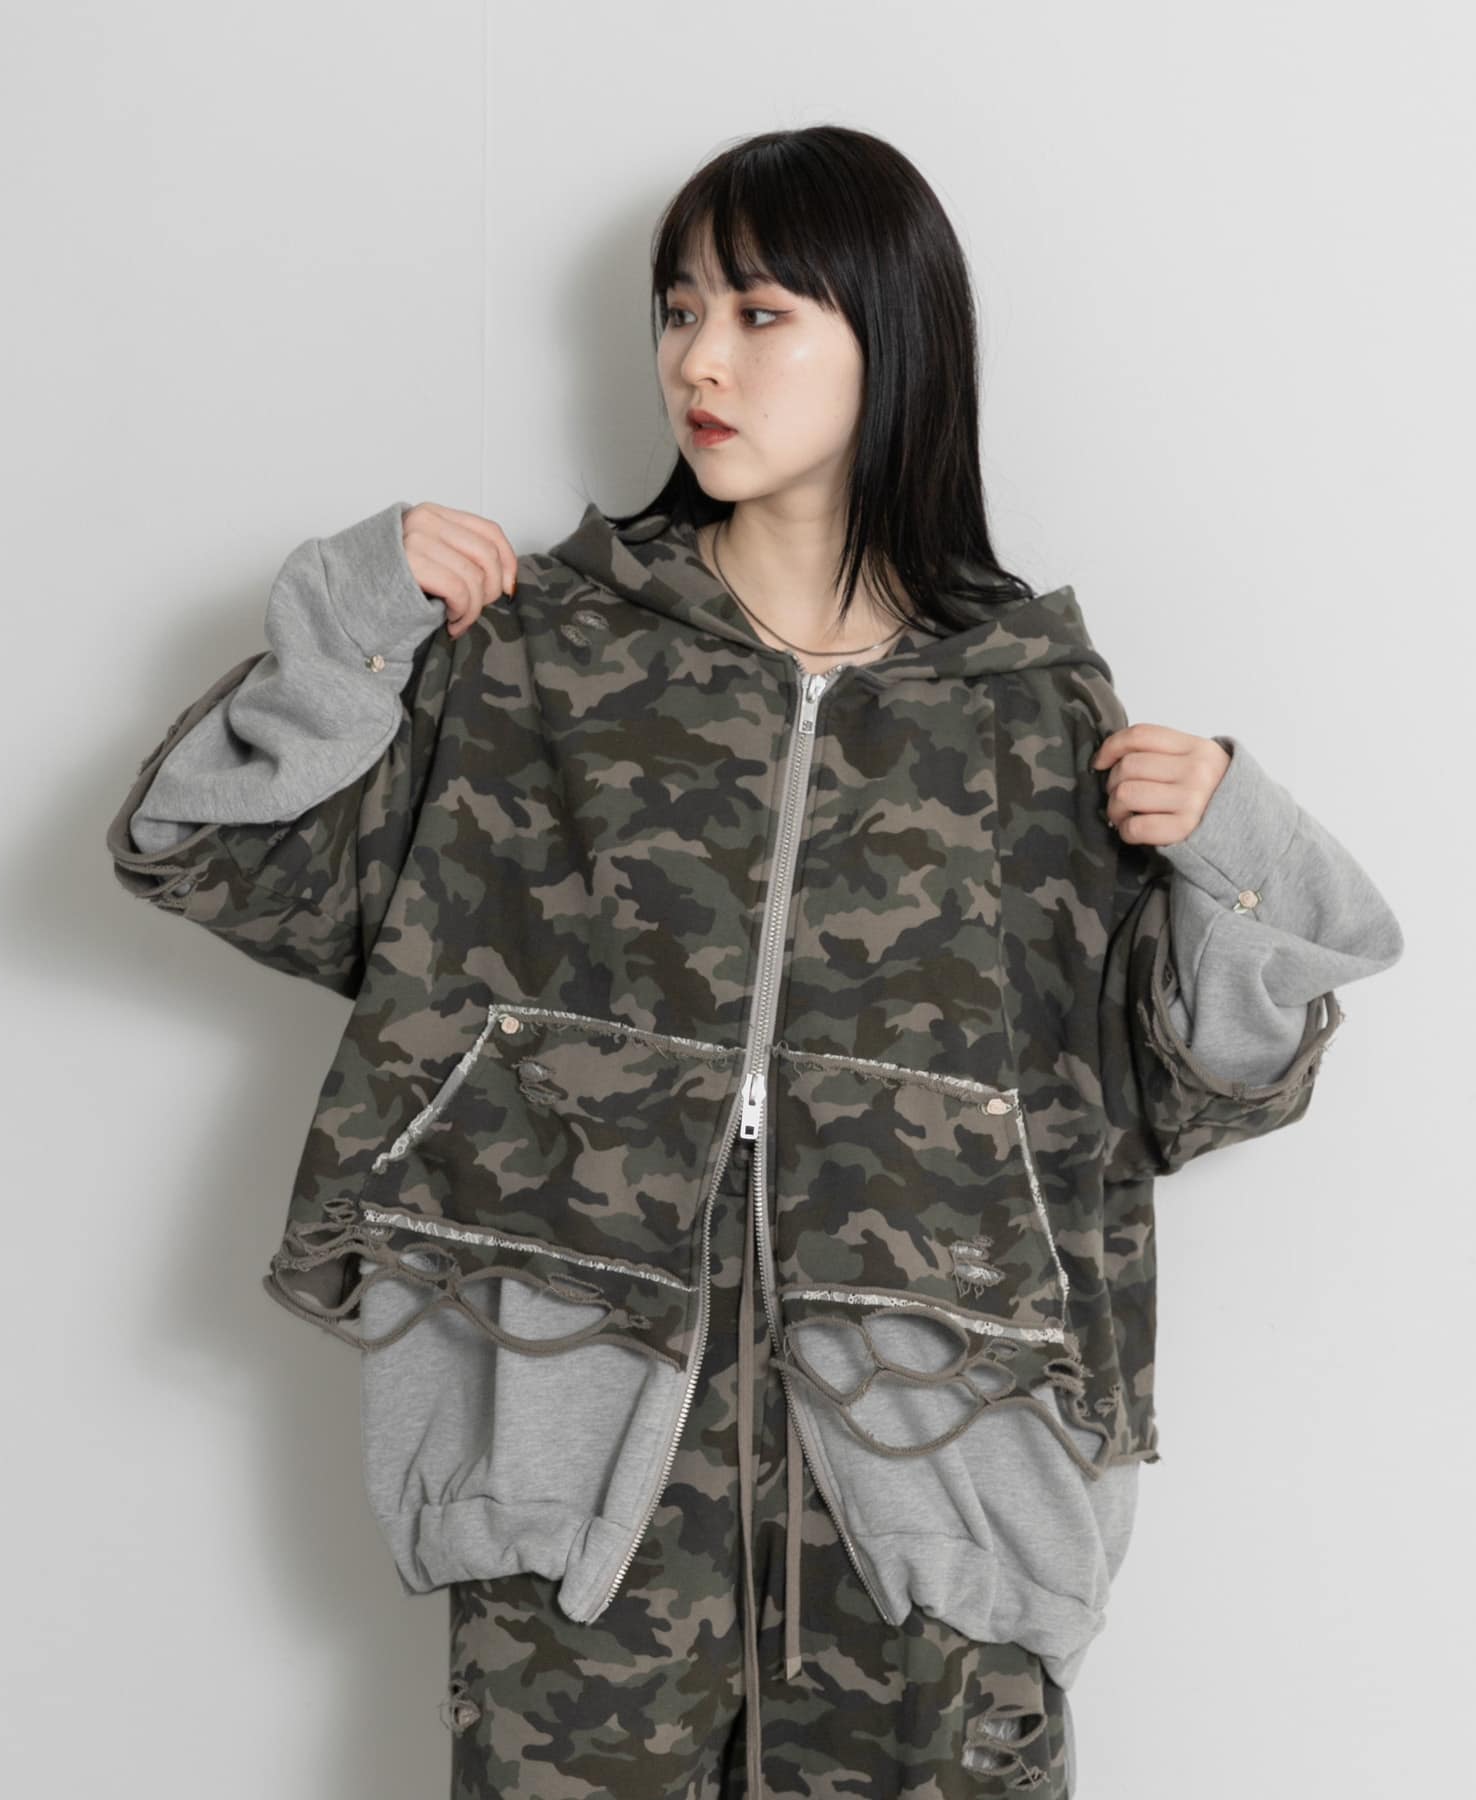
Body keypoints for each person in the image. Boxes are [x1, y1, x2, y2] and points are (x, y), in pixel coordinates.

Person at [106, 126, 1403, 1799]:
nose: (698, 361)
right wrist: (355, 628)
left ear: (894, 337)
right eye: (678, 310)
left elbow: (1200, 1091)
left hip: (935, 1509)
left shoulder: (1030, 714)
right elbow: (214, 855)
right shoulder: (546, 658)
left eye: (761, 313)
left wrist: (1243, 846)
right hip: (575, 1486)